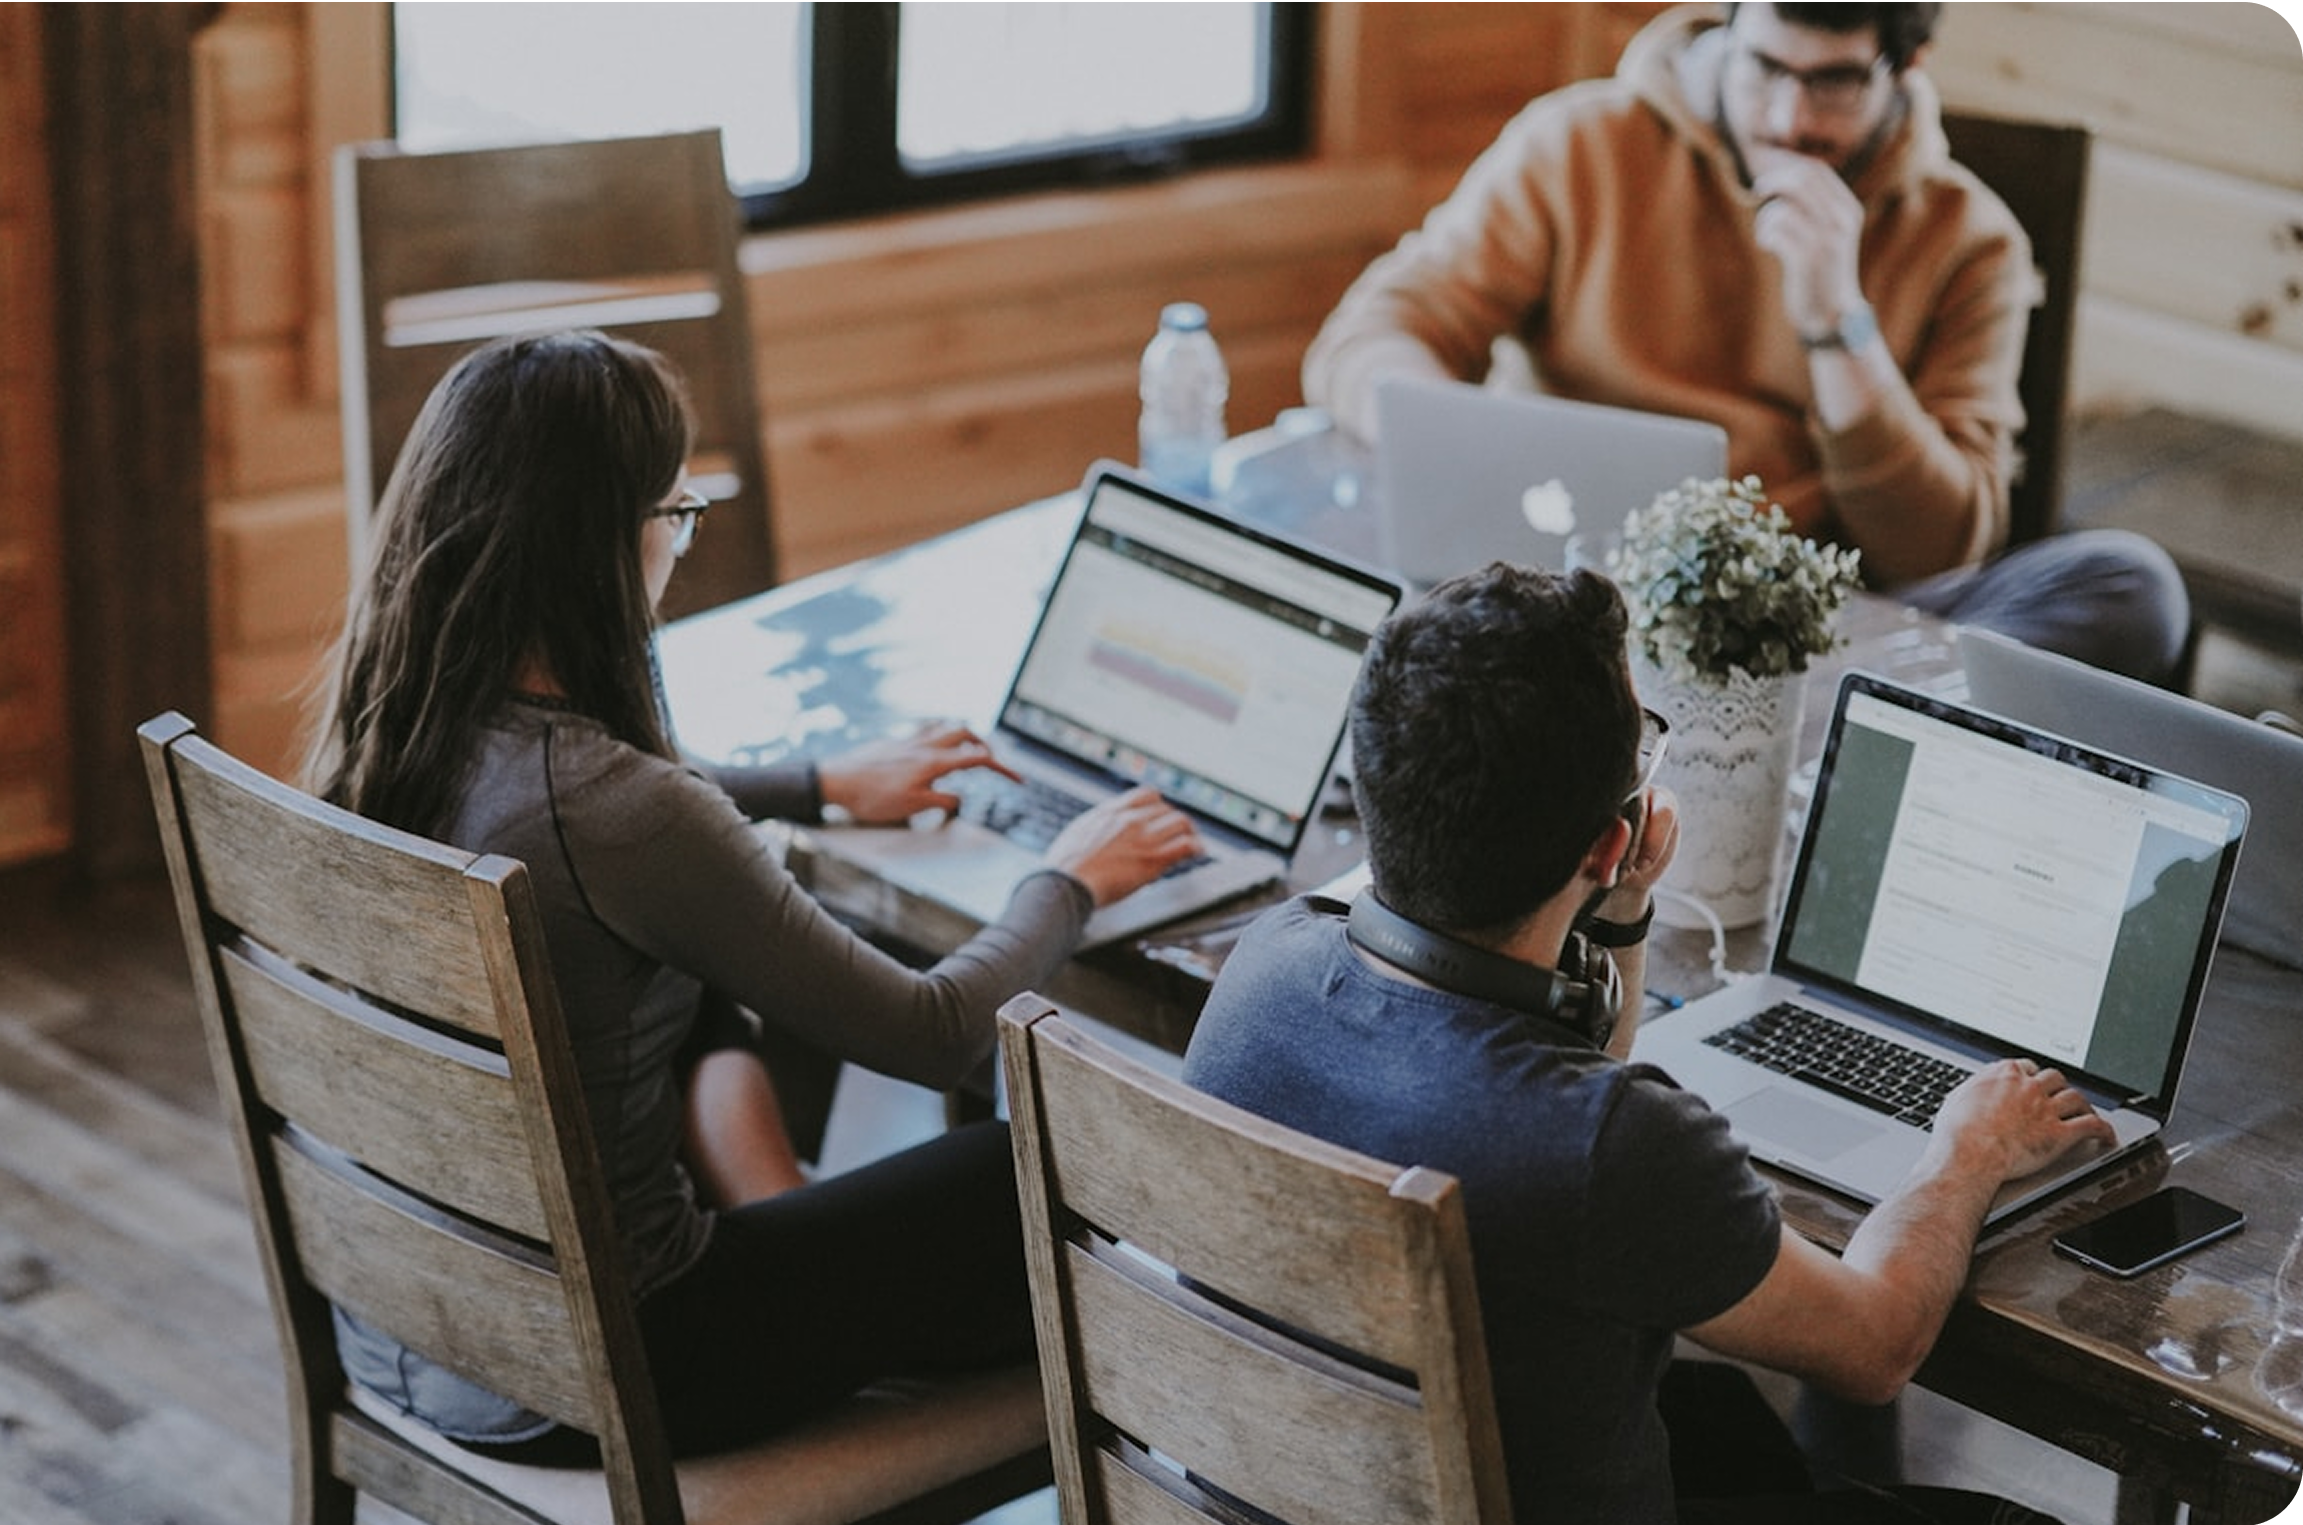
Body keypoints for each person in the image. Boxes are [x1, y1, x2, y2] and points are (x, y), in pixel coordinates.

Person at [302, 328, 1203, 1459]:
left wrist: (817, 784)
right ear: (604, 545)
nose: (681, 545)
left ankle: (787, 1216)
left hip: (413, 1325)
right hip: (622, 1363)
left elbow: (613, 821)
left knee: (690, 972)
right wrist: (1068, 876)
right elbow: (927, 1032)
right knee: (1018, 1167)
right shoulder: (619, 812)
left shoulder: (396, 729)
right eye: (675, 516)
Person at [1182, 564, 2113, 1524]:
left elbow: (1558, 1115)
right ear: (1603, 841)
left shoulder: (1262, 968)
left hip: (1287, 1495)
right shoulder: (1614, 1144)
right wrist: (1970, 1148)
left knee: (1721, 1420)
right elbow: (1878, 1346)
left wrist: (1620, 914)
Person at [1304, 2, 2188, 684]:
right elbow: (1368, 338)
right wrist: (1455, 448)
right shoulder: (1579, 143)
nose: (1788, 116)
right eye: (1764, 65)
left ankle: (1779, 747)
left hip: (1811, 634)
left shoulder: (1972, 242)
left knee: (2131, 587)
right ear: (1728, 22)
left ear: (1906, 64)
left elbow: (1942, 549)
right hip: (1561, 591)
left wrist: (1838, 322)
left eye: (1835, 82)